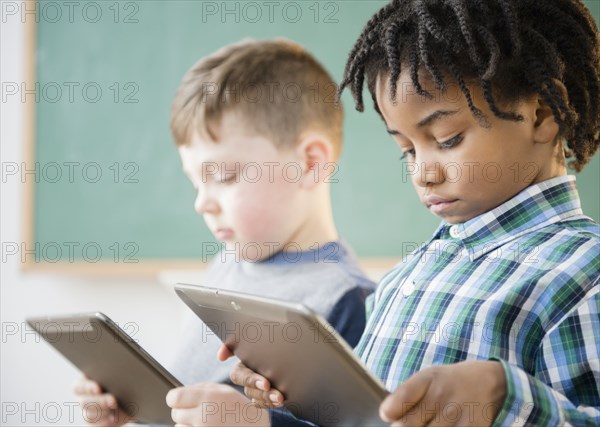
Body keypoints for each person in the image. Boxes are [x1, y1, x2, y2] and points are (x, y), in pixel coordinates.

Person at [225, 1, 600, 426]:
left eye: (447, 139)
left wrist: (504, 398)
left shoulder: (585, 271)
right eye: (407, 149)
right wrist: (275, 411)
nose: (423, 172)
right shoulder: (404, 278)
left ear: (542, 114)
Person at [72, 38, 375, 426]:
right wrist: (136, 407)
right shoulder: (224, 267)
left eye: (224, 176)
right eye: (195, 182)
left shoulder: (348, 299)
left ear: (310, 163)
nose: (202, 202)